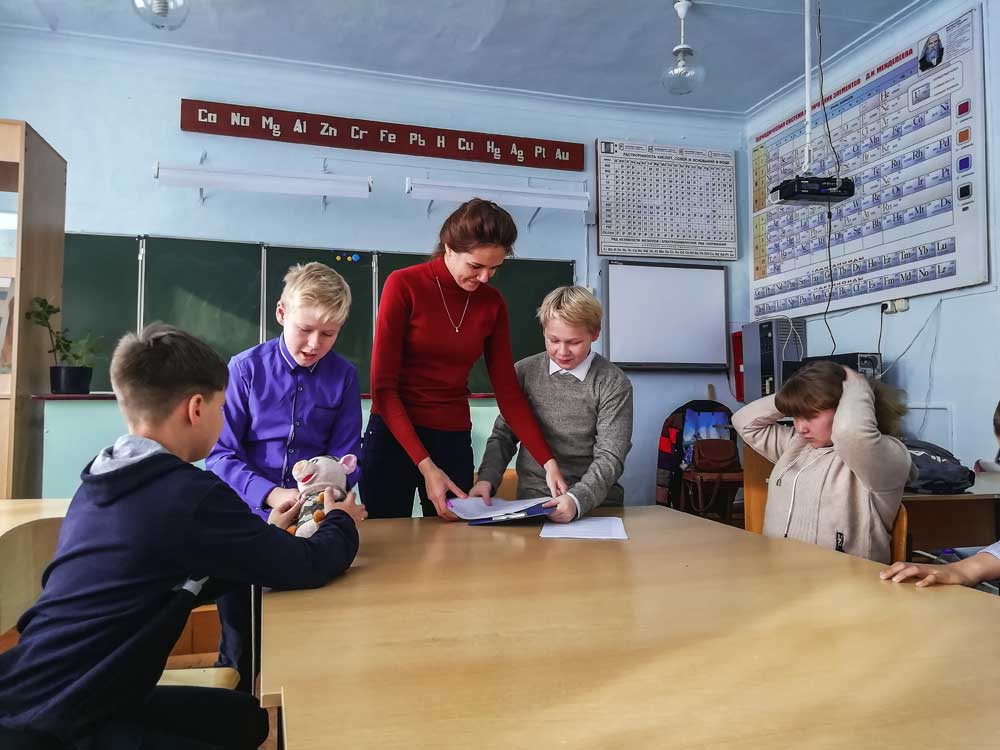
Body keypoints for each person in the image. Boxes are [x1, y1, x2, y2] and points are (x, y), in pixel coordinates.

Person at [0, 324, 366, 749]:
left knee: (246, 720)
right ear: (196, 408)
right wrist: (340, 519)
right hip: (57, 727)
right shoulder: (189, 495)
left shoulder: (104, 479)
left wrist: (265, 534)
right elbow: (308, 564)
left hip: (57, 690)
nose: (223, 419)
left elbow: (171, 577)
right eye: (221, 407)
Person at [206, 261, 361, 691]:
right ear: (281, 313)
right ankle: (236, 712)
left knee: (310, 635)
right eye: (305, 329)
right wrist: (271, 494)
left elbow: (348, 454)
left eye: (328, 334)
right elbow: (219, 454)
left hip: (310, 528)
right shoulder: (244, 369)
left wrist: (335, 495)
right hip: (246, 523)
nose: (314, 344)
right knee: (240, 640)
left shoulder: (344, 376)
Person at [362, 198, 566, 520]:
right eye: (475, 266)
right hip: (394, 434)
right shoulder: (404, 285)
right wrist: (426, 466)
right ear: (449, 248)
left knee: (454, 539)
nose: (485, 277)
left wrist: (548, 462)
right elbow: (383, 389)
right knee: (387, 536)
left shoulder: (492, 304)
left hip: (451, 437)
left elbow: (508, 392)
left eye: (494, 268)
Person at [471, 285, 633, 522]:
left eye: (574, 342)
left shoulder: (613, 382)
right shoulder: (524, 372)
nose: (562, 351)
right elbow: (503, 436)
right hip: (534, 502)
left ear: (595, 333)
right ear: (544, 331)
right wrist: (487, 479)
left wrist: (576, 500)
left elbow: (611, 455)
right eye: (553, 340)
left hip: (598, 506)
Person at [732, 361, 911, 563]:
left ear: (845, 409)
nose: (801, 428)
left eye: (810, 416)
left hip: (847, 578)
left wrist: (858, 385)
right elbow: (743, 421)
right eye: (796, 416)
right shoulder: (796, 446)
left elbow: (851, 434)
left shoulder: (884, 456)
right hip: (780, 570)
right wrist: (794, 394)